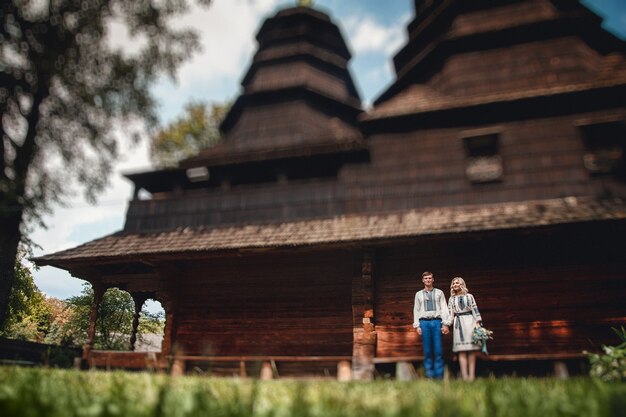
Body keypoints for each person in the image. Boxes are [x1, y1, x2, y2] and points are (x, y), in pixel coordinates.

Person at [413, 271, 451, 379]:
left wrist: (445, 324)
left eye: (430, 278)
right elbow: (416, 310)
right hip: (424, 322)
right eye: (426, 278)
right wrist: (417, 325)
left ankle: (439, 375)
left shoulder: (439, 292)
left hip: (436, 322)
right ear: (423, 280)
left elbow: (444, 308)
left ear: (433, 280)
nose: (428, 280)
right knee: (427, 350)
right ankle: (429, 375)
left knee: (438, 349)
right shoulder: (418, 294)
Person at [448, 277, 482, 381]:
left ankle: (471, 376)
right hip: (458, 324)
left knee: (471, 349)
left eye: (457, 282)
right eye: (453, 283)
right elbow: (450, 314)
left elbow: (474, 309)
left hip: (470, 322)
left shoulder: (469, 296)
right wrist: (446, 324)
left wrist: (478, 323)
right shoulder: (451, 299)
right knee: (461, 350)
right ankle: (464, 376)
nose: (455, 284)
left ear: (462, 284)